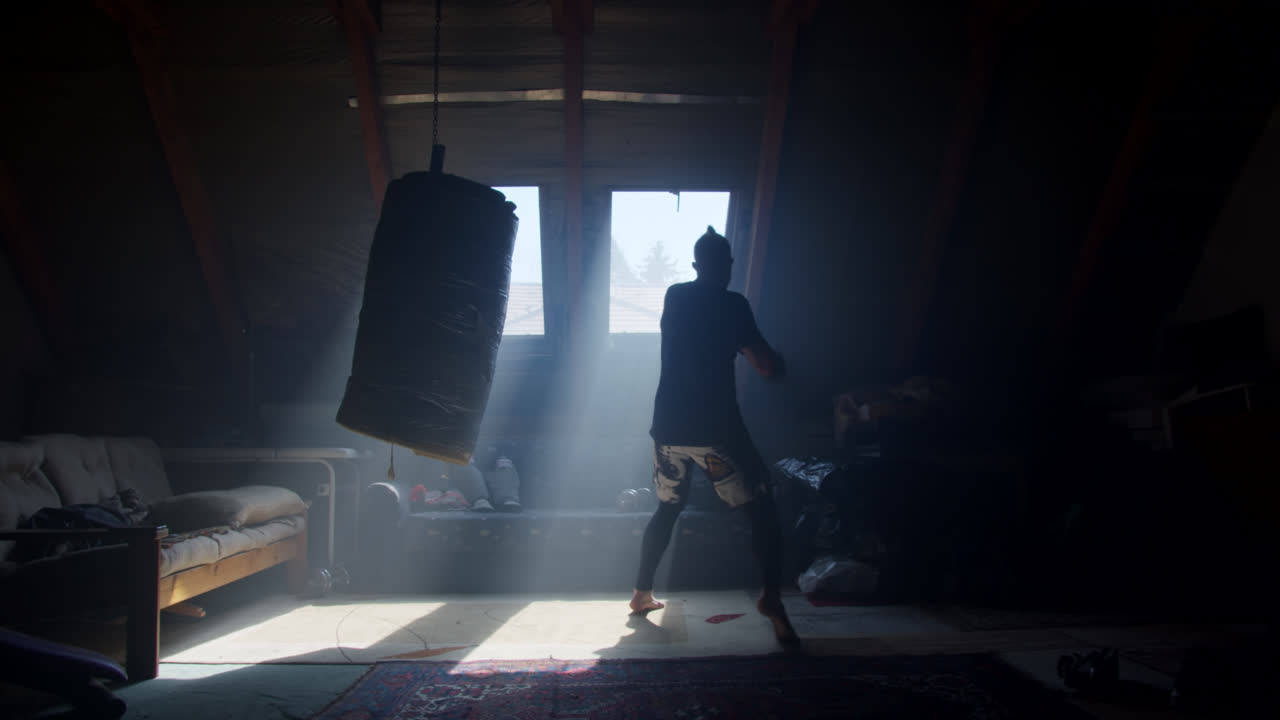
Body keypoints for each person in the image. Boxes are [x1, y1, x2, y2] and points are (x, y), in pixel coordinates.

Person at [629, 226, 798, 645]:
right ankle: (772, 599)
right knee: (762, 508)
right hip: (715, 429)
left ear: (694, 265)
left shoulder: (675, 296)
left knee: (667, 508)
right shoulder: (733, 305)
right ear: (728, 267)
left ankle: (640, 594)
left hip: (667, 427)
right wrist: (781, 365)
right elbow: (764, 364)